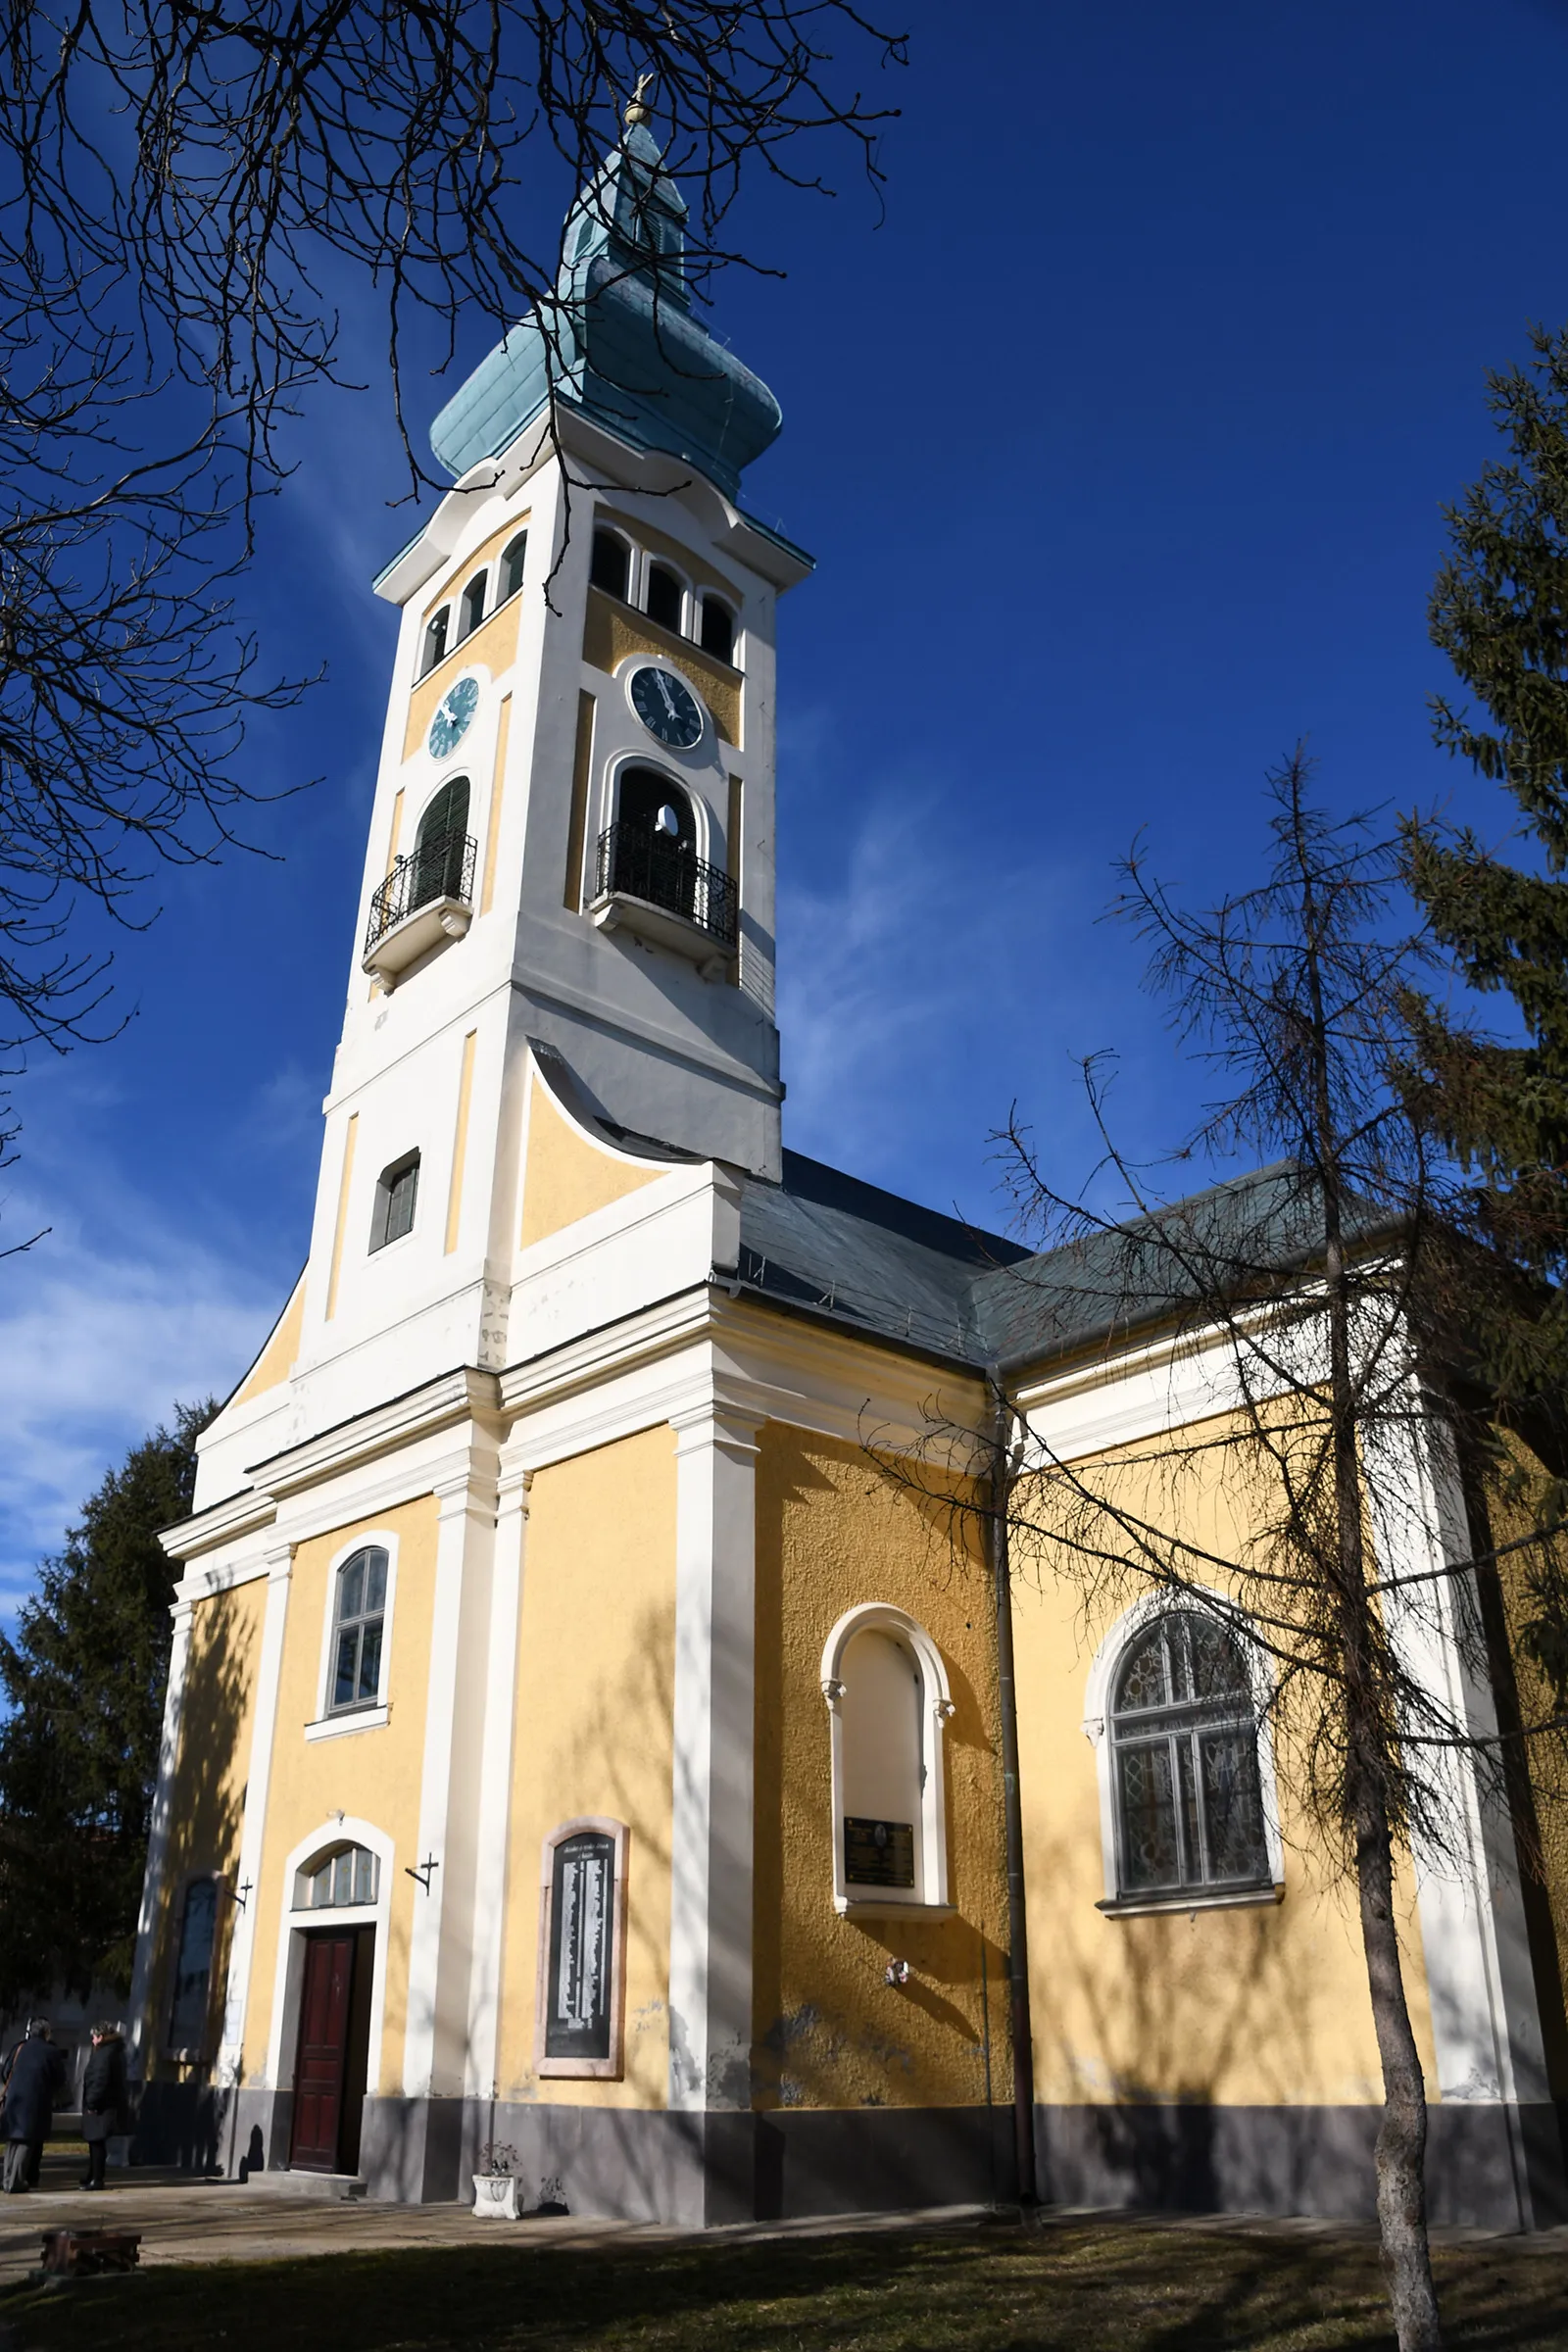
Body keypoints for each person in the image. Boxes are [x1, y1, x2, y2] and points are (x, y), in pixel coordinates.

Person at [1, 2020, 66, 2191]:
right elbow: (59, 2078)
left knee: (12, 2141)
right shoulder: (51, 2052)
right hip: (35, 2101)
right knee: (26, 2141)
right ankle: (16, 2181)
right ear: (46, 2033)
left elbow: (5, 2071)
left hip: (14, 2099)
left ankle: (7, 2179)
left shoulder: (19, 2047)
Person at [78, 2024, 127, 2191]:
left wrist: (92, 2103)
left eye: (94, 2037)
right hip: (105, 2104)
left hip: (100, 2106)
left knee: (96, 2142)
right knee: (95, 2142)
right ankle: (93, 2175)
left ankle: (96, 2178)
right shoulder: (112, 2052)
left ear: (100, 2037)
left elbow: (100, 2080)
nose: (92, 2040)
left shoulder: (104, 2054)